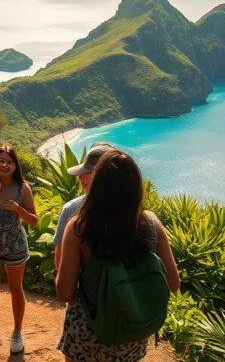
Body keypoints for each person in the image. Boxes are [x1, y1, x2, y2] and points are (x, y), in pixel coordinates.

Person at [55, 149, 180, 361]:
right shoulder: (151, 223)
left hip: (89, 332)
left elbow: (65, 292)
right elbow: (174, 283)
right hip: (131, 330)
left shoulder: (79, 227)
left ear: (98, 185)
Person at [0, 143, 38, 354]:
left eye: (9, 161)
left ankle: (17, 332)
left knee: (16, 289)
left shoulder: (23, 188)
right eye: (0, 160)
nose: (4, 164)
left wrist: (18, 209)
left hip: (15, 246)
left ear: (15, 165)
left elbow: (34, 220)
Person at [53, 144, 114, 269]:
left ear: (99, 176)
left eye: (87, 172)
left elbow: (60, 262)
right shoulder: (142, 217)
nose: (80, 176)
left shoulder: (72, 210)